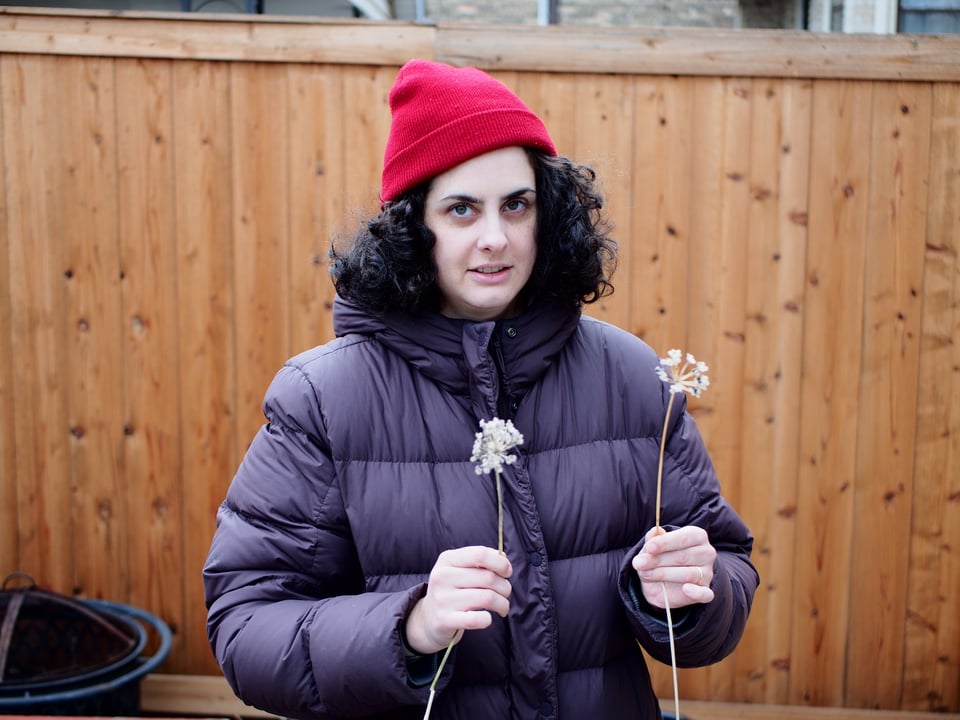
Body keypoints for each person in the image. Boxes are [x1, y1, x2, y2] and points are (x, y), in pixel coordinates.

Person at [203, 59, 758, 720]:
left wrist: (695, 591)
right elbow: (245, 625)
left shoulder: (632, 377)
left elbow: (727, 568)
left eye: (515, 205)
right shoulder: (323, 399)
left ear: (545, 215)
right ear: (413, 226)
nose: (495, 238)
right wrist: (409, 627)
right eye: (461, 209)